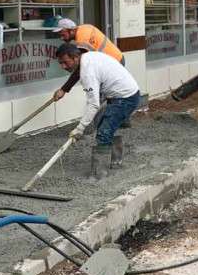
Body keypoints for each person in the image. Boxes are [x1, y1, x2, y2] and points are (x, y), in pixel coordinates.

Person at [55, 43, 141, 178]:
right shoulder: (86, 57)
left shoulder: (87, 72)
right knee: (104, 127)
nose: (63, 66)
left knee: (103, 132)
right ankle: (115, 161)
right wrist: (64, 89)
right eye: (60, 63)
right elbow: (76, 73)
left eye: (65, 62)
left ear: (75, 57)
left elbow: (93, 104)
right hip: (123, 94)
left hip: (125, 98)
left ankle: (99, 174)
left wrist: (80, 129)